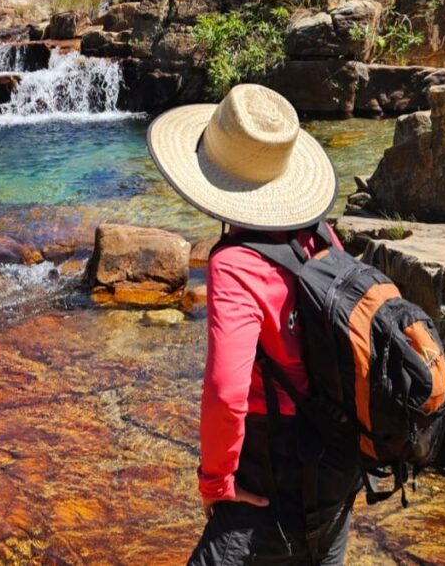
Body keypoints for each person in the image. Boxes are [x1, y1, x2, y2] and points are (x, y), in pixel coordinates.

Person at [146, 84, 361, 565]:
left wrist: (217, 483)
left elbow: (226, 392)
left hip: (272, 470)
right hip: (337, 461)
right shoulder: (322, 235)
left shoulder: (235, 263)